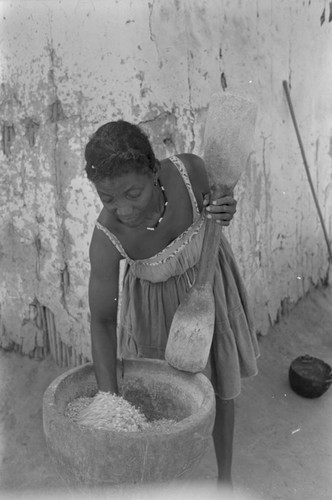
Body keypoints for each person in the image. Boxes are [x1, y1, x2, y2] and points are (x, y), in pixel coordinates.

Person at [85, 120, 259, 486]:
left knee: (221, 387)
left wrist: (225, 208)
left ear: (154, 171)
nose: (124, 209)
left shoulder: (190, 172)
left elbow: (221, 206)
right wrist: (109, 399)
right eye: (108, 198)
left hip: (209, 287)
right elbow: (101, 320)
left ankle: (223, 480)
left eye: (133, 193)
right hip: (156, 317)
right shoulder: (107, 238)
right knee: (162, 403)